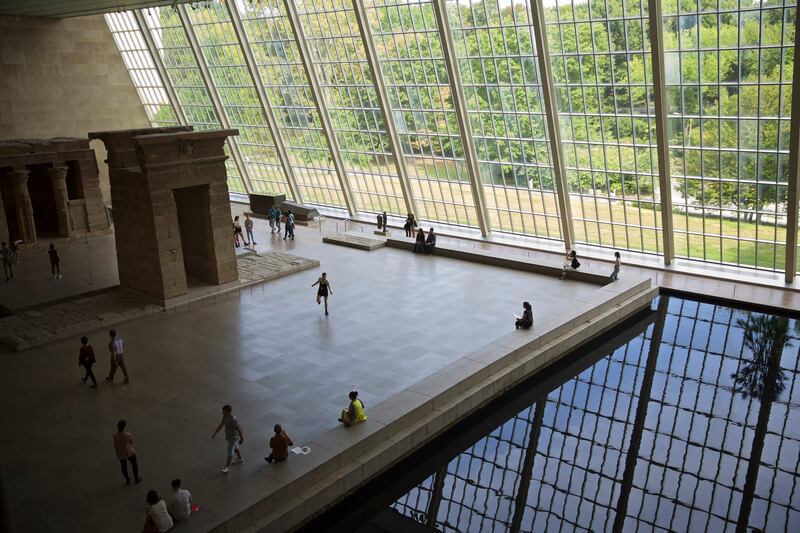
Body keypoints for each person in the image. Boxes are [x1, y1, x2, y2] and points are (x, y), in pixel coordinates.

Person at [212, 404, 244, 473]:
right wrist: (215, 432)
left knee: (230, 452)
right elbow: (221, 424)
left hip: (233, 437)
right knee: (235, 447)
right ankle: (240, 458)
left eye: (224, 412)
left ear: (228, 412)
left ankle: (226, 467)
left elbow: (238, 429)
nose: (222, 413)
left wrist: (241, 438)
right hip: (229, 435)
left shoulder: (233, 419)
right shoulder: (225, 416)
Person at [114, 419, 142, 485]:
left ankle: (127, 479)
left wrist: (117, 454)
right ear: (124, 427)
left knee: (123, 467)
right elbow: (131, 442)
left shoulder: (115, 435)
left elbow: (115, 445)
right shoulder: (128, 435)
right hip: (129, 452)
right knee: (134, 464)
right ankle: (136, 479)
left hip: (121, 453)